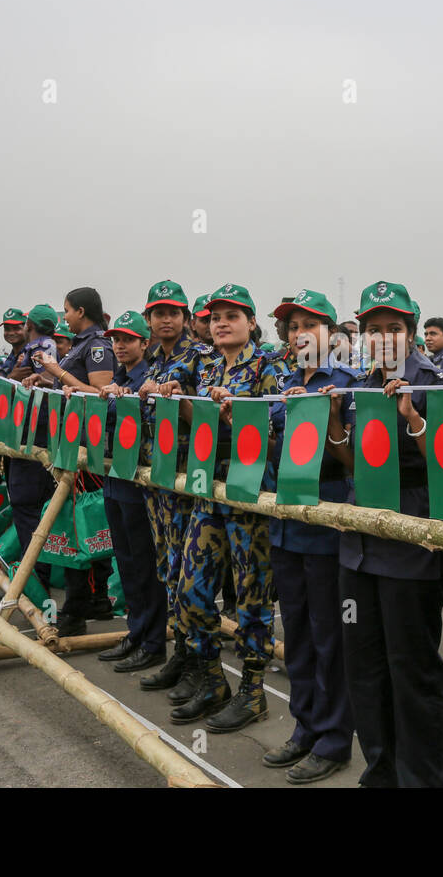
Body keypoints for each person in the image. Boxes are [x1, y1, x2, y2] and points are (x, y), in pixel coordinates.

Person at [329, 280, 443, 787]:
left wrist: (414, 417)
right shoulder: (359, 384)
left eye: (393, 328)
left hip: (411, 545)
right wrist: (335, 420)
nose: (383, 338)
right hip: (359, 545)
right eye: (373, 329)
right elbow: (354, 461)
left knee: (412, 671)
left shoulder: (439, 381)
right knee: (364, 670)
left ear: (411, 331)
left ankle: (420, 778)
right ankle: (379, 771)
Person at [165, 283, 283, 730]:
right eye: (215, 316)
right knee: (189, 592)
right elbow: (197, 420)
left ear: (251, 323)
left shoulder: (270, 366)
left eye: (232, 316)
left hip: (249, 492)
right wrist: (177, 394)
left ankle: (254, 692)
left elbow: (278, 441)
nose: (220, 323)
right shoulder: (206, 364)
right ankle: (213, 679)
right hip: (208, 486)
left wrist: (240, 418)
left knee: (253, 599)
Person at [262, 289, 357, 783]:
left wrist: (333, 414)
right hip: (284, 521)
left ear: (331, 333)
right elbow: (272, 446)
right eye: (293, 324)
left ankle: (335, 739)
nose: (300, 332)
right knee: (295, 630)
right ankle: (304, 727)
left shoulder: (348, 383)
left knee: (329, 635)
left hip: (326, 521)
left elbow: (358, 461)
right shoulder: (279, 380)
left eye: (310, 324)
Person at [136, 280, 215, 695]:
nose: (165, 319)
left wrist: (177, 396)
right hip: (158, 480)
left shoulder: (201, 359)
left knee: (191, 578)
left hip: (189, 479)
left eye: (173, 312)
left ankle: (200, 664)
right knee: (168, 569)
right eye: (158, 313)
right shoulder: (151, 360)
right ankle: (181, 654)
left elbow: (208, 421)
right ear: (148, 318)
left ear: (186, 318)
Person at [30, 287, 116, 637]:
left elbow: (99, 394)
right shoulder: (81, 343)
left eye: (66, 310)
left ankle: (77, 607)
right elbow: (73, 387)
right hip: (72, 444)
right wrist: (46, 378)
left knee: (84, 525)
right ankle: (96, 602)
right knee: (83, 523)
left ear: (81, 311)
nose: (63, 316)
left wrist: (56, 371)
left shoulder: (97, 346)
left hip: (88, 449)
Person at [94, 310, 168, 673]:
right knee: (124, 562)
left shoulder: (148, 378)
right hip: (114, 476)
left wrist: (125, 397)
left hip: (138, 482)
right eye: (116, 340)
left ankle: (153, 642)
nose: (120, 345)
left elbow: (148, 420)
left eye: (128, 339)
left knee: (144, 564)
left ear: (144, 342)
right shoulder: (118, 377)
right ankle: (135, 633)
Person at [0, 308, 27, 375]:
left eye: (16, 328)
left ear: (26, 328)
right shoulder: (11, 357)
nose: (11, 333)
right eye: (7, 329)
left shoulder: (31, 354)